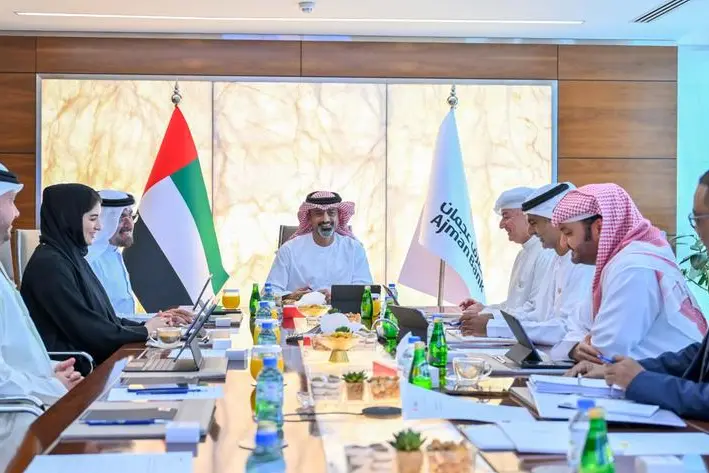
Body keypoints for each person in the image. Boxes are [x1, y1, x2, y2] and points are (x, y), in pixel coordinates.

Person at [569, 172, 709, 419]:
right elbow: (697, 356)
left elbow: (604, 347)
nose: (696, 230)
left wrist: (641, 381)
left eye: (698, 219)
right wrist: (622, 370)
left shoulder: (633, 266)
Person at [552, 183, 705, 364]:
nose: (563, 244)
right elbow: (576, 323)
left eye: (568, 233)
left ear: (599, 228)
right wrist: (574, 347)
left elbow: (604, 352)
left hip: (670, 379)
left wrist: (578, 345)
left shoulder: (634, 267)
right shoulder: (618, 263)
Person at [21, 184, 172, 365]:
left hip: (91, 360)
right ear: (69, 219)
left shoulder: (72, 257)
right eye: (93, 219)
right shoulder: (50, 265)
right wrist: (145, 331)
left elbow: (104, 319)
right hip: (75, 368)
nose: (99, 226)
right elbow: (85, 328)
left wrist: (149, 326)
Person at [462, 183, 594, 349]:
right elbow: (536, 314)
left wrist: (492, 325)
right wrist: (489, 317)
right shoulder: (557, 260)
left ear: (555, 223)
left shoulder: (582, 264)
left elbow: (566, 330)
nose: (530, 231)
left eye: (533, 222)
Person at [0, 164, 81, 404]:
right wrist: (51, 386)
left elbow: (13, 352)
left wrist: (49, 369)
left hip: (32, 402)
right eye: (11, 201)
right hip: (19, 415)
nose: (17, 213)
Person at [86, 190, 191, 323]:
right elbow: (104, 319)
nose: (129, 225)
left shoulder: (113, 253)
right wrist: (159, 318)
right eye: (121, 217)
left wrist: (163, 317)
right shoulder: (92, 260)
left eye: (131, 216)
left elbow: (124, 316)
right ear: (103, 220)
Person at [459, 186, 555, 320]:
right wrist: (483, 309)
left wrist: (488, 316)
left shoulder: (546, 253)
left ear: (526, 216)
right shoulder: (523, 254)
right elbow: (513, 305)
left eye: (506, 216)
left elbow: (535, 311)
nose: (501, 225)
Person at [266, 191, 372, 301]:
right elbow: (269, 292)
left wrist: (339, 297)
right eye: (318, 213)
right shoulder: (289, 250)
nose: (326, 219)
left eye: (331, 213)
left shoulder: (354, 249)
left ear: (339, 217)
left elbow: (366, 290)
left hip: (343, 311)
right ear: (309, 218)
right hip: (298, 311)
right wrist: (291, 296)